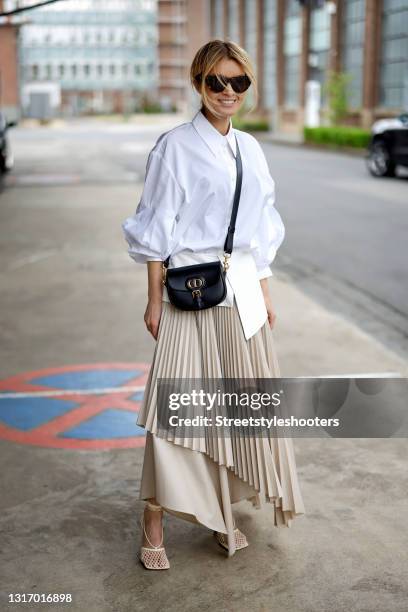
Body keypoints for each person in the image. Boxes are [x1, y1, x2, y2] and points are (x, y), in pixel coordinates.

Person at [121, 39, 306, 570]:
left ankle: (222, 510)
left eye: (238, 82)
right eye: (216, 82)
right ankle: (153, 518)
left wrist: (264, 295)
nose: (227, 92)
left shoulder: (251, 148)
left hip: (243, 292)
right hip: (193, 290)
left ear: (248, 85)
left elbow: (261, 230)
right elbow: (156, 230)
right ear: (199, 84)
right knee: (177, 409)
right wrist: (154, 300)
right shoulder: (175, 146)